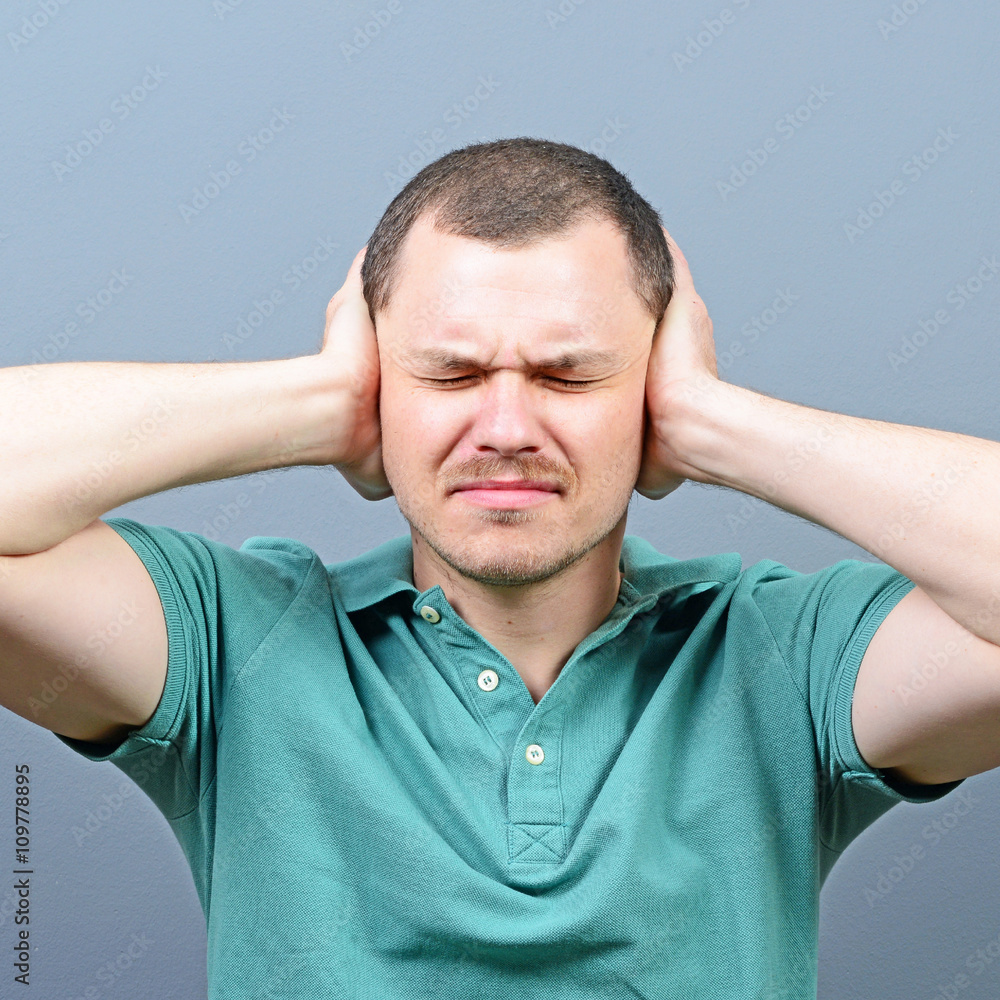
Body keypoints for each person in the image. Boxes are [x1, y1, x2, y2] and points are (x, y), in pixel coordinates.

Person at [1, 136, 996, 997]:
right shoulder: (233, 646)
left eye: (570, 374)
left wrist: (712, 423)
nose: (507, 428)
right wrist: (313, 400)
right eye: (449, 373)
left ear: (650, 383)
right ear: (380, 377)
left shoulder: (784, 660)